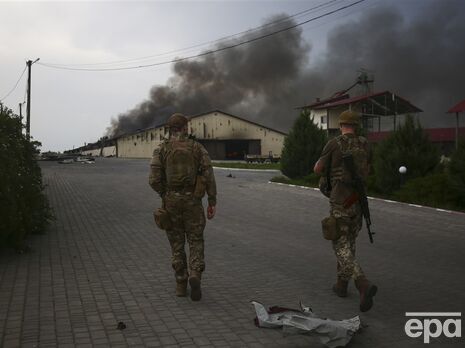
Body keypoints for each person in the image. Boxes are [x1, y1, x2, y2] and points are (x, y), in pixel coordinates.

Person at [313, 110, 377, 312]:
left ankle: (362, 283)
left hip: (340, 201)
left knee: (340, 245)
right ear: (356, 126)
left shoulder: (334, 143)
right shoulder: (366, 144)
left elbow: (318, 169)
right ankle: (341, 286)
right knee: (349, 241)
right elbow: (370, 170)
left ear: (341, 125)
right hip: (357, 202)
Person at [149, 113, 217, 301]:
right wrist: (212, 201)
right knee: (195, 239)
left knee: (176, 243)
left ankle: (180, 282)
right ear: (185, 128)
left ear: (169, 129)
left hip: (171, 201)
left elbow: (153, 179)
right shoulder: (197, 148)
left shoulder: (161, 149)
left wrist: (165, 193)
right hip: (193, 201)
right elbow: (209, 175)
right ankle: (195, 273)